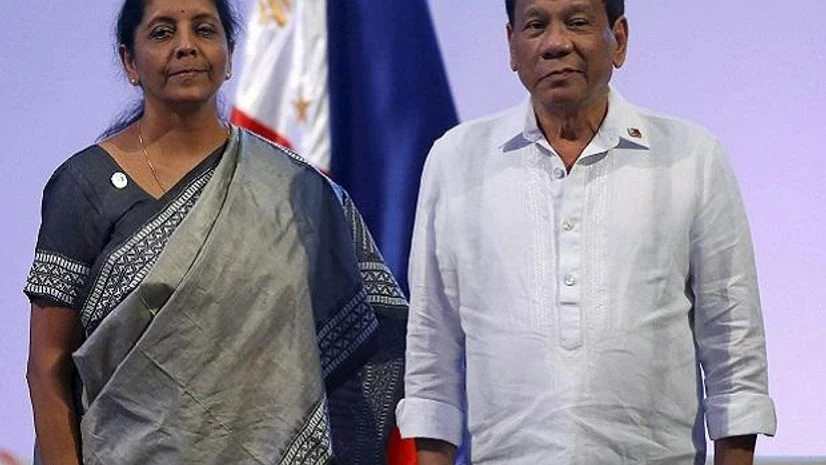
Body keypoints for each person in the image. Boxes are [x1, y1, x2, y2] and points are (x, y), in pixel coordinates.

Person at [23, 0, 408, 464]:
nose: (186, 46)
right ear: (130, 62)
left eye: (204, 30)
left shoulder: (296, 189)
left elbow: (368, 336)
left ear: (228, 54)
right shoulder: (84, 187)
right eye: (163, 33)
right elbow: (48, 367)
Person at [396, 0, 777, 464]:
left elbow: (733, 347)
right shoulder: (455, 160)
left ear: (619, 39)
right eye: (536, 25)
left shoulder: (693, 157)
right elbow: (431, 352)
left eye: (577, 22)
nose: (557, 44)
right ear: (512, 46)